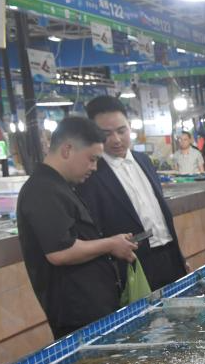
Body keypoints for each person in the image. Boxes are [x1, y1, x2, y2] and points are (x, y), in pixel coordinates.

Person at [17, 116, 138, 339]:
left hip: (94, 307)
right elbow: (60, 252)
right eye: (91, 159)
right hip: (77, 315)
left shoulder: (61, 186)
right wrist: (111, 244)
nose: (94, 167)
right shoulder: (42, 190)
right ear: (67, 150)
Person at [79, 95, 188, 291]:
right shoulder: (91, 174)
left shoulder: (144, 160)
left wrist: (179, 258)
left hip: (170, 256)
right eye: (106, 134)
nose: (116, 140)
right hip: (133, 266)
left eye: (122, 131)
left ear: (130, 126)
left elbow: (160, 215)